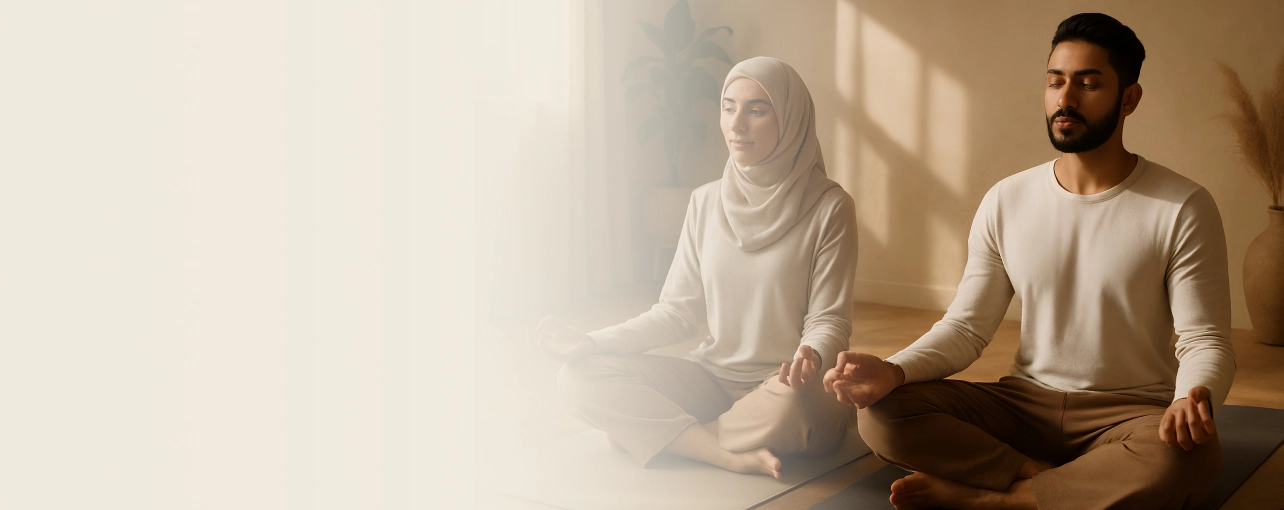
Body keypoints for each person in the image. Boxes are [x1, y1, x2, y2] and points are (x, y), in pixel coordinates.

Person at [822, 13, 1234, 509]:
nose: (1066, 98)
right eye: (1055, 81)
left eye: (1088, 83)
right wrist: (894, 370)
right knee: (881, 411)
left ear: (1129, 98)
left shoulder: (1182, 205)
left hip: (1128, 414)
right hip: (1022, 406)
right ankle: (1042, 482)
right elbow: (967, 328)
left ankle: (990, 499)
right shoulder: (1007, 199)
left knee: (1189, 456)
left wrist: (1192, 396)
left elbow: (1205, 339)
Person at [529, 57, 858, 478]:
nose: (736, 124)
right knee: (577, 377)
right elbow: (678, 313)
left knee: (801, 408)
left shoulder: (830, 206)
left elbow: (829, 319)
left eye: (756, 110)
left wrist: (811, 353)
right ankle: (720, 451)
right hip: (710, 381)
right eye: (727, 107)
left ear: (792, 120)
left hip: (783, 387)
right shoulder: (705, 201)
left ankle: (664, 436)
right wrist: (591, 342)